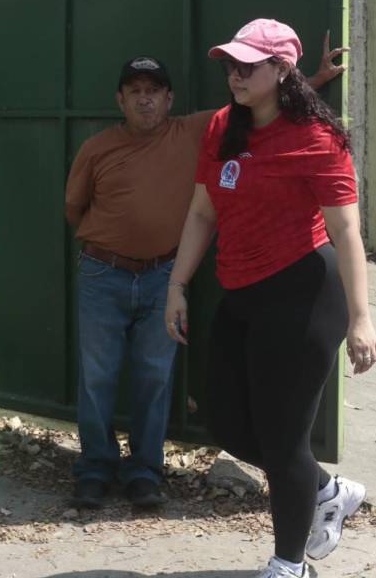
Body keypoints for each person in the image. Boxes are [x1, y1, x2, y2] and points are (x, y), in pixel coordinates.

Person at [64, 46, 344, 510]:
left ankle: (144, 474)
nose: (145, 100)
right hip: (103, 275)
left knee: (155, 377)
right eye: (135, 92)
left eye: (154, 92)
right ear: (120, 100)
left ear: (170, 100)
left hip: (162, 277)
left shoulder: (199, 130)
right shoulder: (97, 148)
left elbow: (256, 101)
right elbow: (73, 208)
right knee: (98, 377)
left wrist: (312, 79)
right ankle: (94, 469)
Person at [164, 19, 376, 578]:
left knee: (285, 442)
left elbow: (348, 233)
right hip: (240, 294)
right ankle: (329, 492)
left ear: (281, 70)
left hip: (304, 294)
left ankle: (290, 564)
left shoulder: (316, 137)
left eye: (247, 65)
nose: (234, 75)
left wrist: (361, 318)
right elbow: (201, 212)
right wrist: (177, 285)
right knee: (229, 426)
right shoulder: (221, 128)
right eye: (229, 65)